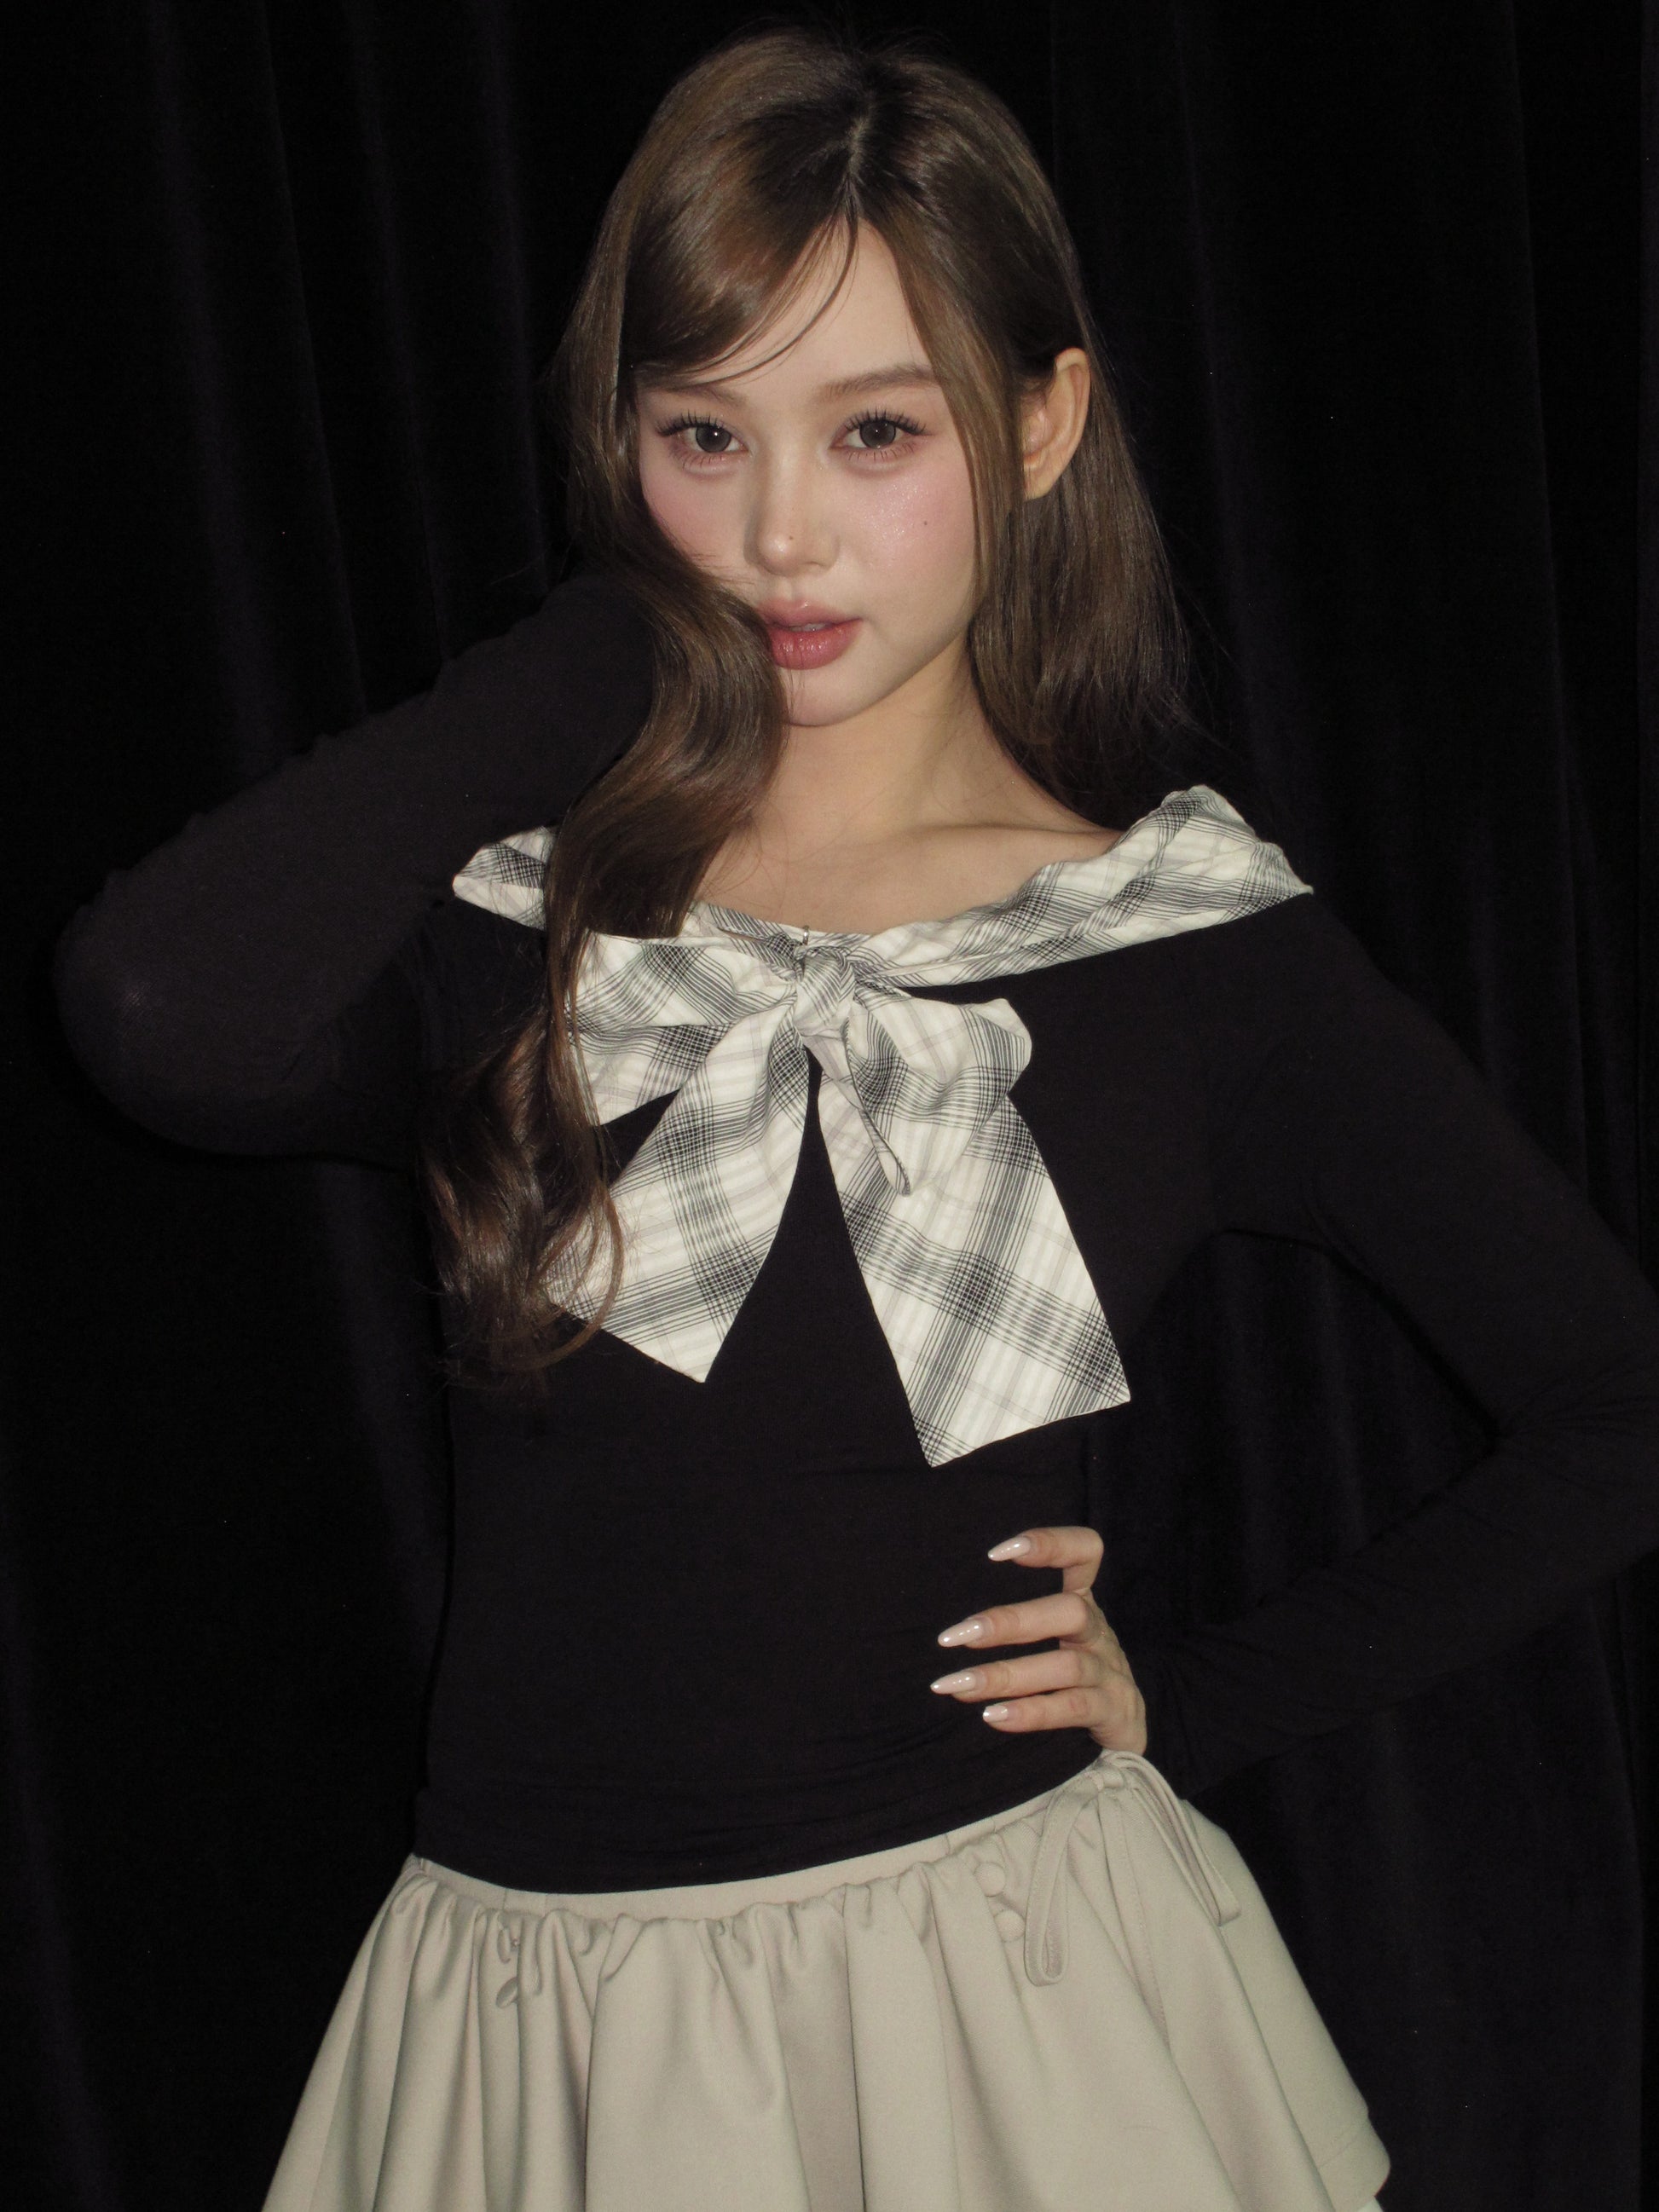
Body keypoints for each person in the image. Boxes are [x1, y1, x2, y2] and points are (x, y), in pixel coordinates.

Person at [50, 22, 1659, 2212]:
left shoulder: (1185, 946)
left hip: (992, 2001)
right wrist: (592, 661)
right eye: (701, 433)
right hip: (543, 2017)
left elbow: (1611, 1403)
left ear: (1040, 421)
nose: (779, 530)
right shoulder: (513, 925)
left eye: (874, 430)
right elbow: (154, 1007)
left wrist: (1197, 1693)